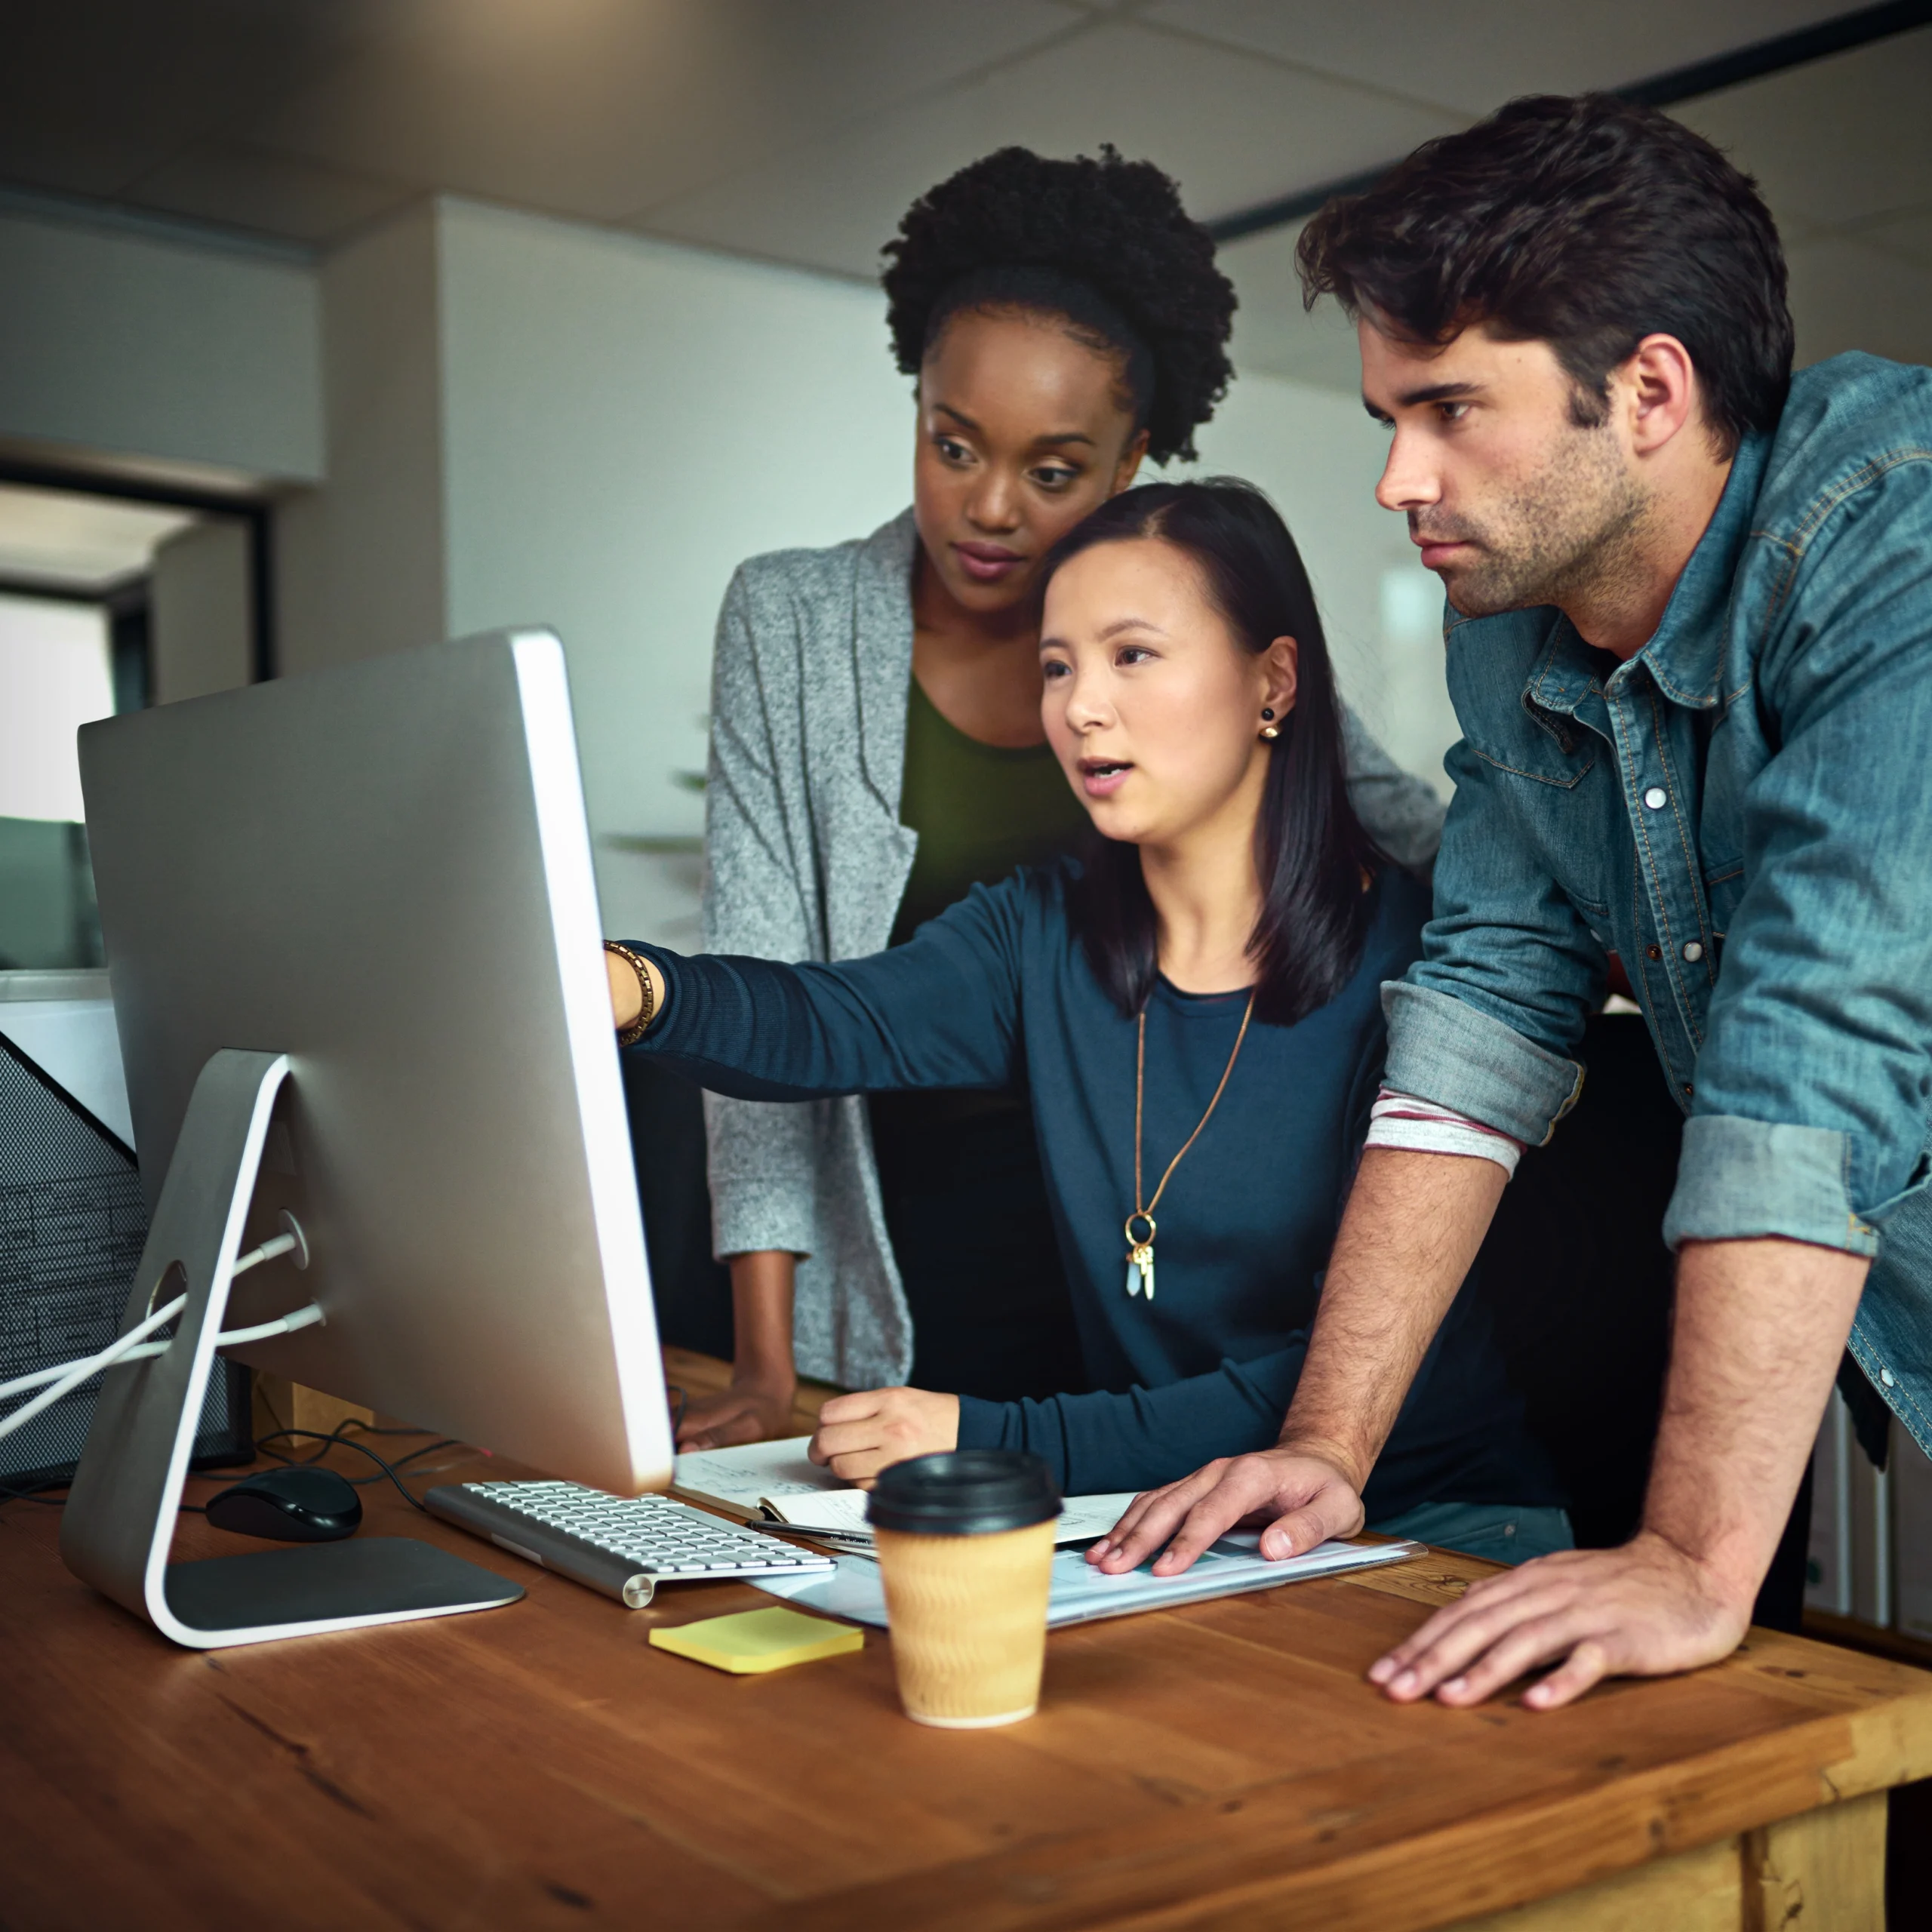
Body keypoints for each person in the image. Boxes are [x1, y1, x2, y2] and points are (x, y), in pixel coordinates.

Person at [1096, 94, 1932, 1711]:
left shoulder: (1891, 534)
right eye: (1383, 417)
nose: (1397, 475)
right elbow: (1479, 1006)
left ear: (1646, 391)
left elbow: (1817, 1030)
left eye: (1447, 409)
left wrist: (1687, 1560)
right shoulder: (1512, 635)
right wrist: (1326, 1449)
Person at [610, 480, 1564, 1558]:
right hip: (1171, 1530)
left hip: (1431, 1531)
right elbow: (830, 1021)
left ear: (1274, 681)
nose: (1079, 707)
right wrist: (631, 987)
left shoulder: (1424, 964)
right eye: (1057, 665)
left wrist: (988, 1436)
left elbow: (1327, 1385)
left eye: (1133, 655)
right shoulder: (1041, 932)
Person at [683, 147, 1443, 1450]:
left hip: (1145, 1201)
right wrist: (766, 1364)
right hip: (910, 1210)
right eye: (952, 444)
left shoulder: (1180, 626)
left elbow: (1373, 805)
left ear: (1129, 459)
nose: (987, 510)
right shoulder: (796, 621)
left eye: (1051, 471)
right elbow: (786, 1003)